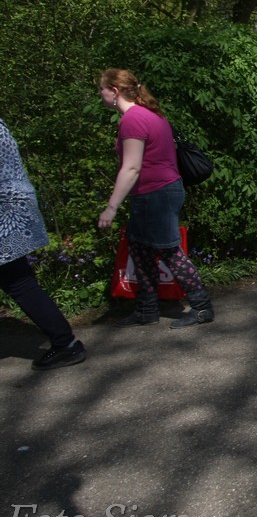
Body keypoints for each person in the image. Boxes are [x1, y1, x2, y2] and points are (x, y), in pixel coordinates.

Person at [98, 68, 214, 328]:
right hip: (157, 192)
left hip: (156, 194)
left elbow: (132, 167)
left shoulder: (133, 119)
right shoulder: (151, 114)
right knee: (139, 248)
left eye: (101, 89)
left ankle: (202, 307)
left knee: (169, 251)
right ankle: (146, 309)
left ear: (114, 91)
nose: (99, 94)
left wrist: (111, 207)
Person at [1, 119, 87, 370]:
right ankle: (65, 343)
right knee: (17, 279)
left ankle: (66, 344)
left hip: (6, 212)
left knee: (17, 281)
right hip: (13, 205)